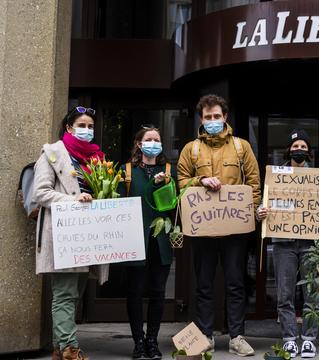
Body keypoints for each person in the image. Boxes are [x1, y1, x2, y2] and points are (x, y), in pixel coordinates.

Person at [177, 94, 261, 356]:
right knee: (203, 284)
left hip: (234, 230)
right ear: (201, 119)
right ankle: (206, 336)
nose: (212, 121)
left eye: (216, 116)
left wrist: (249, 218)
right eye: (207, 117)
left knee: (236, 283)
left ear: (225, 117)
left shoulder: (241, 147)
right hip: (203, 230)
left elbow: (254, 185)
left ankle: (237, 336)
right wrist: (200, 180)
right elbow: (180, 182)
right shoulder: (191, 149)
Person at [33, 106, 109, 360]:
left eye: (90, 126)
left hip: (87, 236)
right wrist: (73, 201)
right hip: (63, 235)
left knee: (74, 293)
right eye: (82, 125)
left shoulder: (97, 158)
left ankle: (59, 348)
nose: (87, 130)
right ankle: (69, 348)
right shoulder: (52, 153)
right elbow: (40, 193)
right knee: (64, 293)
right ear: (68, 127)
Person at [256, 129, 319, 358]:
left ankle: (310, 339)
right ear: (289, 149)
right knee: (285, 295)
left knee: (312, 294)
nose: (299, 150)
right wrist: (260, 212)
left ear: (309, 151)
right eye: (296, 146)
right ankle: (290, 339)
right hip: (283, 242)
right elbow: (264, 205)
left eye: (303, 147)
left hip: (312, 243)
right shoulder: (277, 177)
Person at [121, 126, 176, 360]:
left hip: (160, 241)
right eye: (148, 139)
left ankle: (152, 340)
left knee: (157, 293)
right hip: (134, 240)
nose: (153, 142)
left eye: (157, 139)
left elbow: (173, 205)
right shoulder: (127, 171)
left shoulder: (168, 170)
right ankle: (138, 341)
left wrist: (163, 184)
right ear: (139, 144)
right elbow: (119, 203)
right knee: (134, 293)